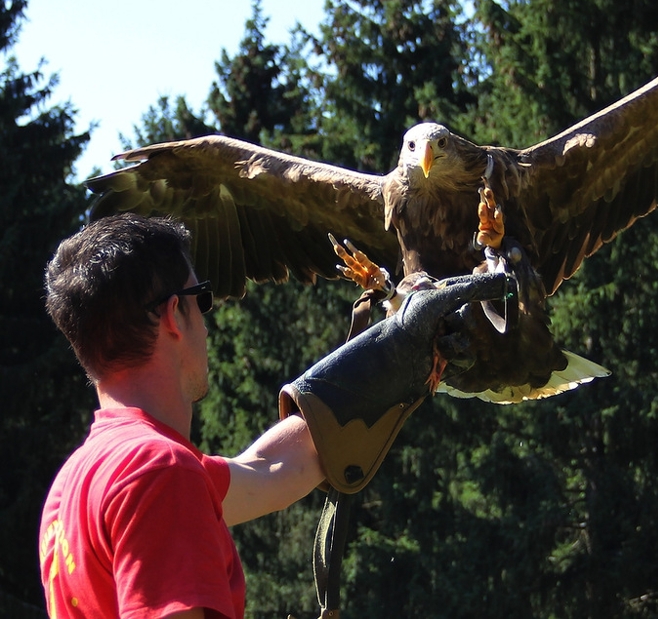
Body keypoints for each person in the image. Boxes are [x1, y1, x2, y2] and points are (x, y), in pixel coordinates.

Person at [38, 213, 508, 618]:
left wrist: (395, 353)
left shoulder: (73, 486)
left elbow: (263, 472)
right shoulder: (158, 474)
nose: (207, 319)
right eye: (200, 297)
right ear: (171, 317)